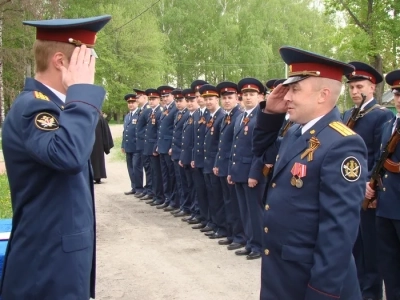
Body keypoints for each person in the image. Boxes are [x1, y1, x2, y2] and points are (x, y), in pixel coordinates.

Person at [0, 15, 111, 299]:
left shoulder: (56, 107)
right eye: (86, 61)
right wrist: (82, 93)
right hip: (46, 266)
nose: (92, 70)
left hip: (57, 260)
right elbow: (69, 156)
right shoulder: (34, 109)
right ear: (61, 62)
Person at [253, 46, 367, 299]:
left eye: (295, 90)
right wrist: (271, 113)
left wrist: (322, 292)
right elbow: (261, 149)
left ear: (322, 95)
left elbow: (338, 230)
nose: (287, 97)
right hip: (283, 271)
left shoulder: (343, 143)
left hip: (310, 279)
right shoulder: (296, 131)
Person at [342, 61, 392, 300]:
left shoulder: (379, 116)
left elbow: (380, 155)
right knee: (353, 245)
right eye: (351, 87)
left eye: (359, 86)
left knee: (370, 250)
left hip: (367, 191)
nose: (354, 91)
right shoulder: (348, 115)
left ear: (372, 87)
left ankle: (370, 294)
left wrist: (368, 184)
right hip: (348, 190)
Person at [366, 69, 400, 300]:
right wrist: (373, 185)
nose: (399, 99)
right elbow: (382, 162)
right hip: (386, 206)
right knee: (389, 266)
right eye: (397, 94)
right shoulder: (391, 125)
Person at [228, 77, 266, 260]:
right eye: (245, 94)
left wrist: (254, 173)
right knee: (244, 210)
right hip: (239, 171)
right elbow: (234, 146)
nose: (248, 97)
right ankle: (249, 242)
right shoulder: (242, 116)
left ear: (260, 96)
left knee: (254, 212)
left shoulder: (261, 117)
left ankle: (258, 246)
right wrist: (231, 171)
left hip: (251, 173)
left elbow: (260, 149)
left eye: (252, 94)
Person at [214, 81, 245, 248]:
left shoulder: (238, 116)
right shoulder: (227, 116)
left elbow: (236, 146)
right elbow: (222, 144)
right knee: (227, 202)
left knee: (234, 204)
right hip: (224, 165)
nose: (226, 100)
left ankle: (239, 236)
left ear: (236, 98)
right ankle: (231, 232)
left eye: (230, 97)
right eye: (224, 98)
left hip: (232, 167)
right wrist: (218, 163)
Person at [199, 84, 227, 239]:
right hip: (207, 162)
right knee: (211, 195)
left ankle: (220, 226)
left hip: (215, 163)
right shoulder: (210, 116)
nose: (208, 102)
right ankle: (213, 223)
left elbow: (219, 144)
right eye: (206, 99)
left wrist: (216, 163)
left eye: (211, 99)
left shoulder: (221, 116)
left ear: (217, 100)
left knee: (217, 197)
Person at [156, 86, 178, 211]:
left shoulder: (175, 109)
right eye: (163, 97)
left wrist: (171, 146)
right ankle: (167, 198)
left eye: (167, 96)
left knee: (171, 176)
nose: (165, 98)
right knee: (165, 175)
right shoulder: (165, 109)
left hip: (169, 147)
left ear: (172, 96)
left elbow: (174, 130)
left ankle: (174, 200)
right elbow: (161, 129)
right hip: (162, 146)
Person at [143, 88, 164, 206]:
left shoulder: (159, 112)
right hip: (149, 146)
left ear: (159, 100)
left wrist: (156, 146)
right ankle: (155, 194)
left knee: (157, 173)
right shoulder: (151, 112)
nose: (151, 101)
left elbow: (159, 132)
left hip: (154, 147)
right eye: (150, 99)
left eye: (154, 99)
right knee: (152, 172)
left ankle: (159, 196)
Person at [133, 89, 154, 200]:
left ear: (144, 97)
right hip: (141, 143)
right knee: (145, 166)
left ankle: (150, 189)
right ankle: (147, 188)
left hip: (146, 143)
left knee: (148, 167)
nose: (136, 99)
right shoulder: (142, 110)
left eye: (138, 97)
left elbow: (148, 128)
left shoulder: (147, 109)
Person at [122, 93, 144, 195]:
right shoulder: (127, 116)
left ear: (137, 103)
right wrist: (123, 145)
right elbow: (125, 131)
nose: (131, 104)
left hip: (137, 146)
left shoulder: (140, 114)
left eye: (133, 102)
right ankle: (134, 187)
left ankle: (139, 188)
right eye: (129, 103)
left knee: (136, 167)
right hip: (128, 146)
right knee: (130, 167)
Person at [91, 111, 114, 183]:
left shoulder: (86, 118)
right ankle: (98, 176)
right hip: (98, 144)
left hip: (92, 143)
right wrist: (106, 145)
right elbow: (106, 132)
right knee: (97, 158)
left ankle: (94, 176)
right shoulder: (100, 118)